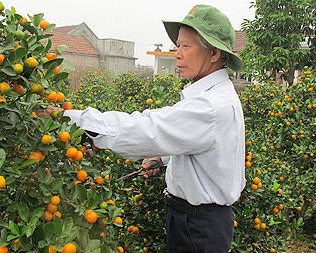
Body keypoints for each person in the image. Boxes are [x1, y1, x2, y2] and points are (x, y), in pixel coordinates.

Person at [41, 5, 245, 252]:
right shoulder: (216, 95)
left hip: (198, 225)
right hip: (196, 219)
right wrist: (164, 159)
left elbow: (147, 129)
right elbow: (201, 144)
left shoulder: (210, 106)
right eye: (176, 46)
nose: (177, 54)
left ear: (213, 53)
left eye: (185, 47)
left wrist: (71, 119)